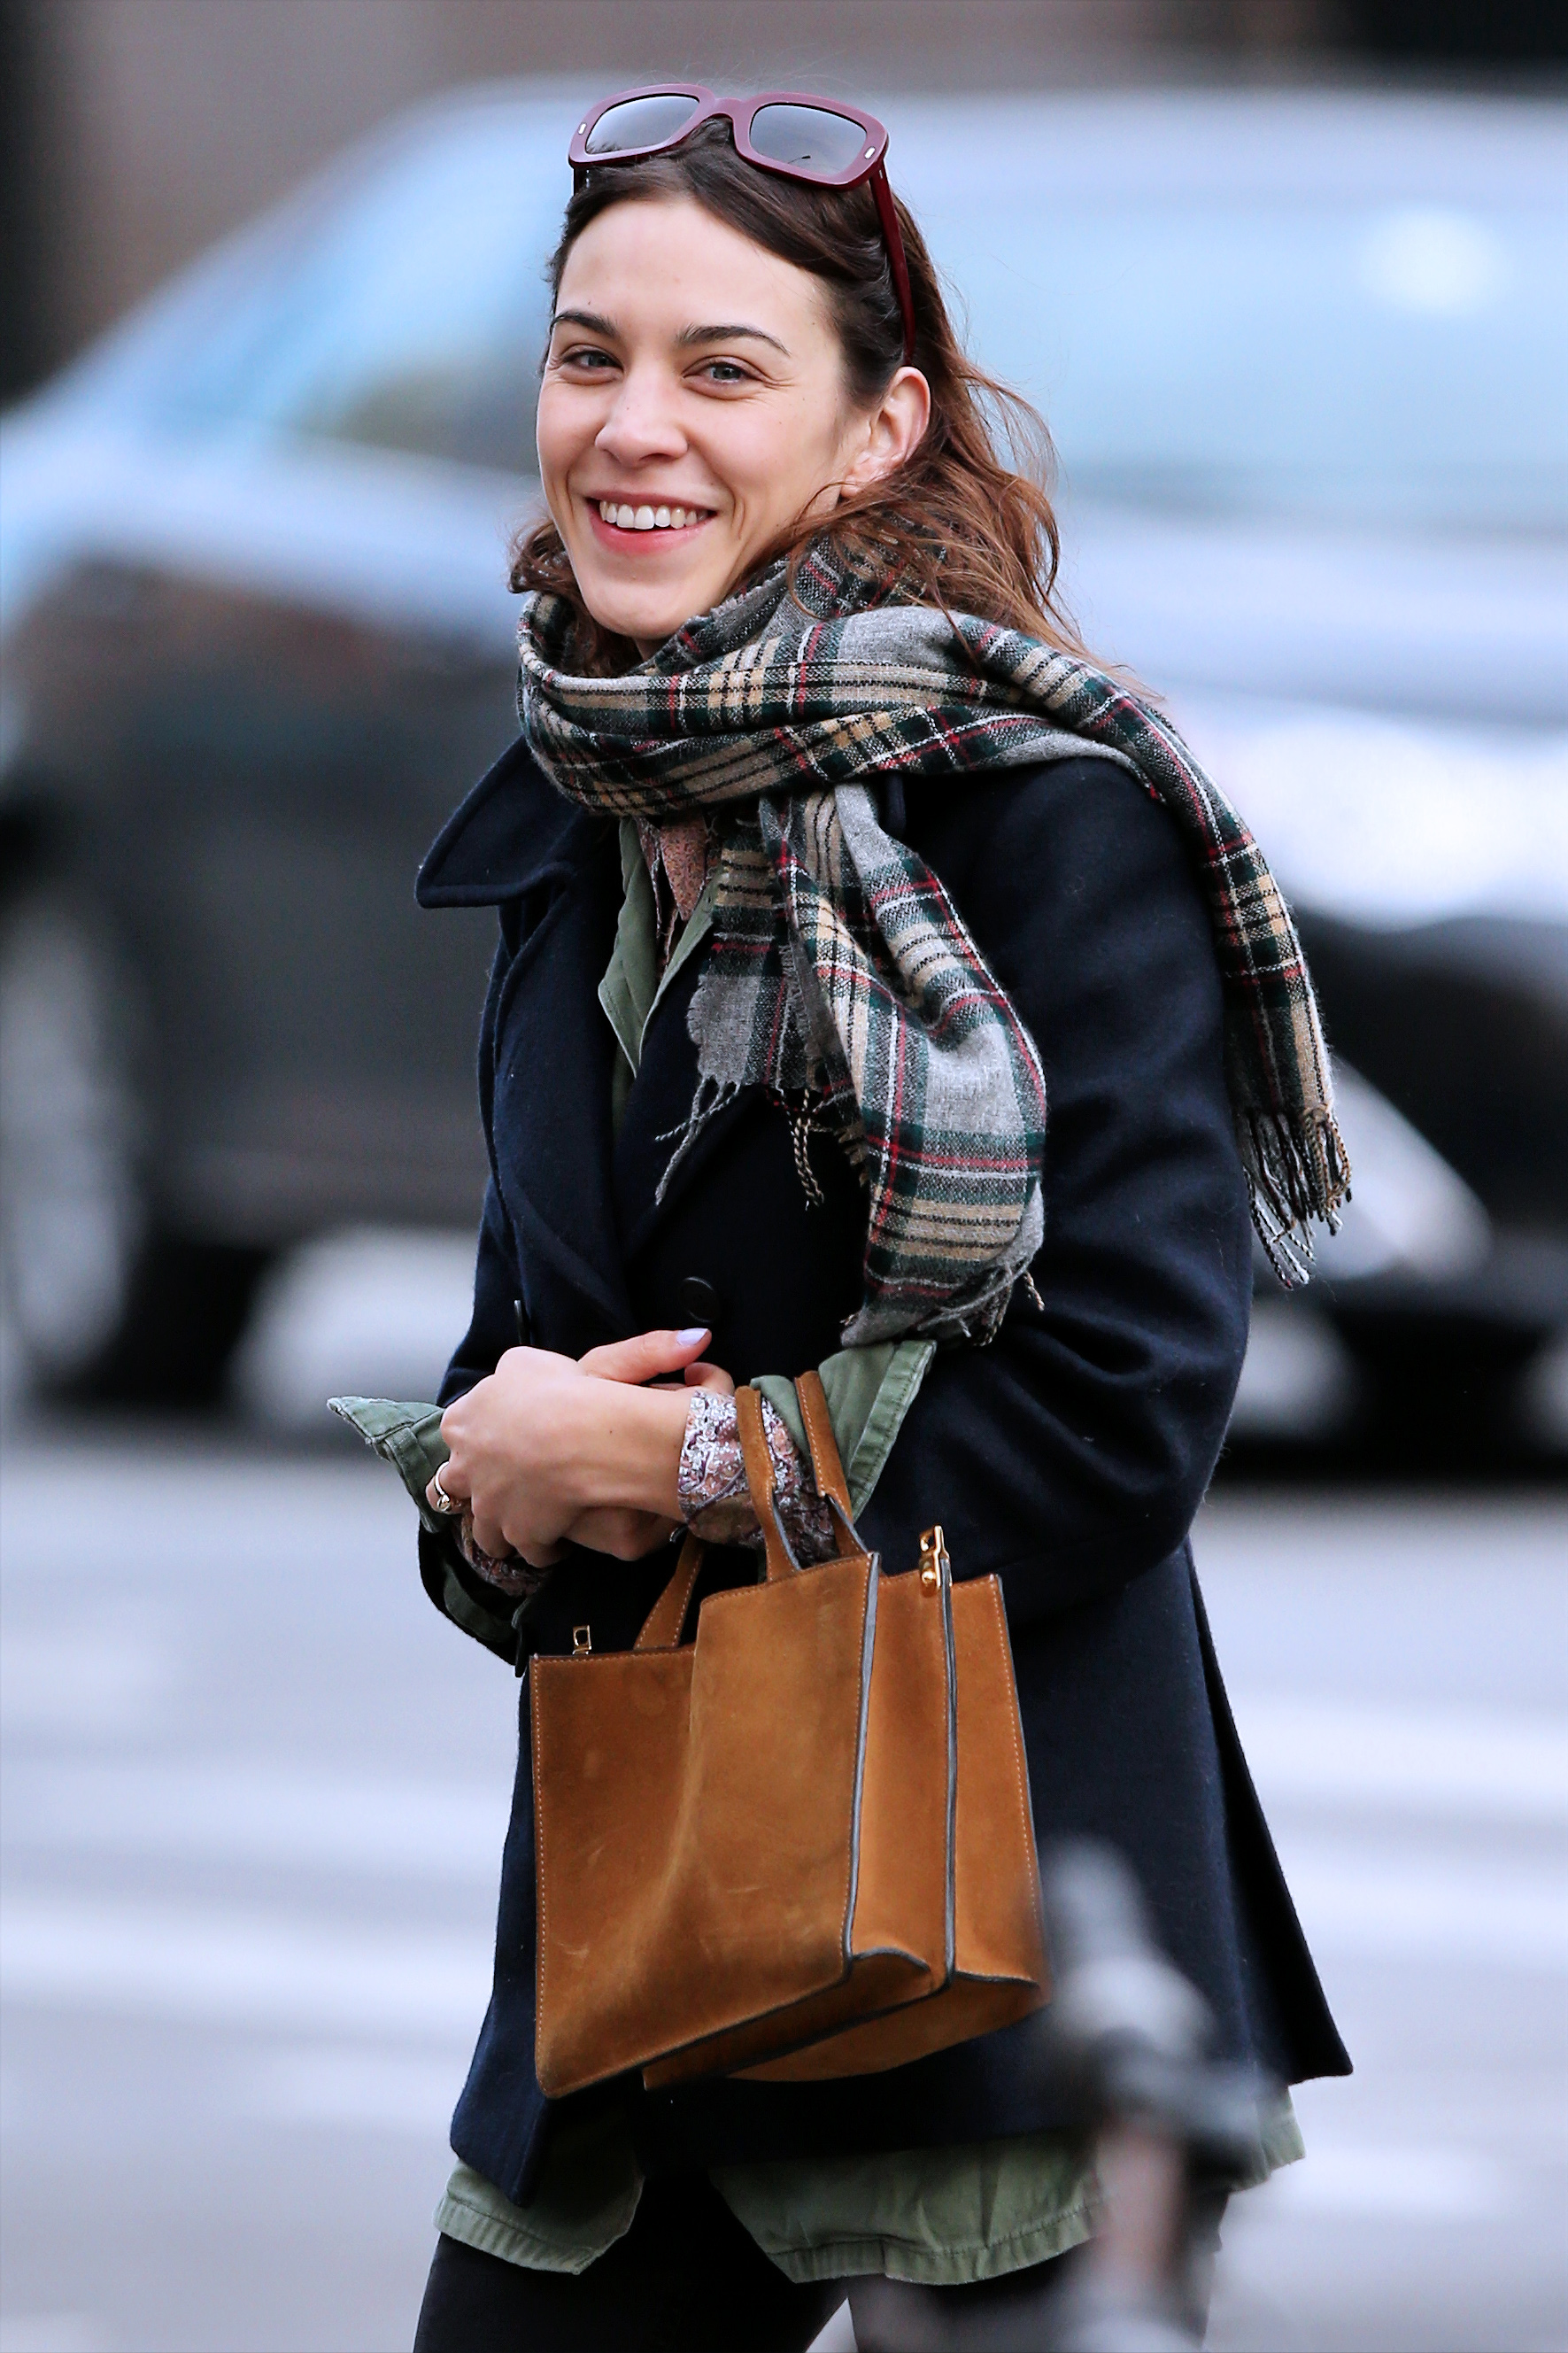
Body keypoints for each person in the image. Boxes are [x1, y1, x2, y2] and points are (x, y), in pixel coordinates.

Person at [404, 86, 1351, 2352]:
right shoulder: (580, 801)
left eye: (721, 369)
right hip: (654, 1924)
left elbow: (1118, 1421)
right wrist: (495, 1487)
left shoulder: (1049, 825)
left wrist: (671, 1460)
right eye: (584, 354)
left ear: (872, 428)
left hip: (1005, 1937)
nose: (629, 427)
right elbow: (513, 1384)